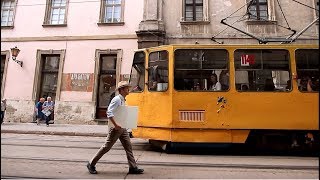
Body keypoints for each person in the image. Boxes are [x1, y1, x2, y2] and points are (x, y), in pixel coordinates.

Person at [87, 81, 144, 175]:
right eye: (126, 88)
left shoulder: (123, 99)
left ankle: (133, 167)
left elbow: (121, 113)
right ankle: (91, 163)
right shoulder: (117, 99)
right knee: (106, 147)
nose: (128, 89)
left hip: (122, 127)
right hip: (116, 128)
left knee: (128, 146)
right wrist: (116, 125)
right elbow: (109, 113)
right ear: (121, 90)